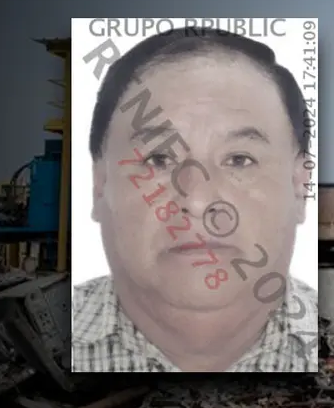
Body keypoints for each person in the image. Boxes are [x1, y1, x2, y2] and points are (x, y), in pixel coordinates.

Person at [71, 28, 318, 373]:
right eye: (158, 160)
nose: (198, 201)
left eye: (239, 160)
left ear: (300, 186)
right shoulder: (30, 341)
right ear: (100, 186)